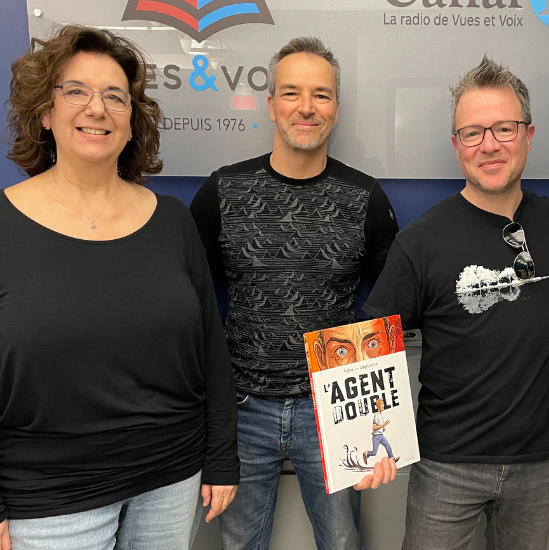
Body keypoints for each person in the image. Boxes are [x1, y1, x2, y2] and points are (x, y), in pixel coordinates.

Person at [0, 25, 239, 550]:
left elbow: (210, 350)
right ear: (45, 113)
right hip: (49, 497)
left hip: (172, 478)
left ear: (131, 124)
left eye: (114, 96)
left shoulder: (171, 221)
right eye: (75, 91)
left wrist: (221, 457)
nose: (96, 108)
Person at [189, 37, 398, 550]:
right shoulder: (222, 191)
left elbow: (392, 299)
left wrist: (379, 422)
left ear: (336, 108)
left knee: (343, 542)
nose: (307, 107)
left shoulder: (365, 197)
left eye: (321, 95)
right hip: (241, 407)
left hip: (333, 409)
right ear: (271, 105)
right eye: (292, 93)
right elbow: (186, 296)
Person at [364, 57, 549, 550]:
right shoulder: (421, 241)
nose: (490, 145)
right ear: (456, 145)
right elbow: (373, 341)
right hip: (447, 466)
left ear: (528, 134)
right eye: (473, 132)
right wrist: (366, 441)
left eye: (504, 128)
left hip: (542, 462)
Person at [364, 398, 396, 465]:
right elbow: (374, 427)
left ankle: (391, 459)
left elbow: (380, 426)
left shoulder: (380, 415)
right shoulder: (376, 415)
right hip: (376, 437)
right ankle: (366, 453)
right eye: (382, 404)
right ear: (378, 406)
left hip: (381, 435)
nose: (383, 406)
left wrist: (383, 428)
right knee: (374, 453)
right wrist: (383, 425)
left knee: (388, 446)